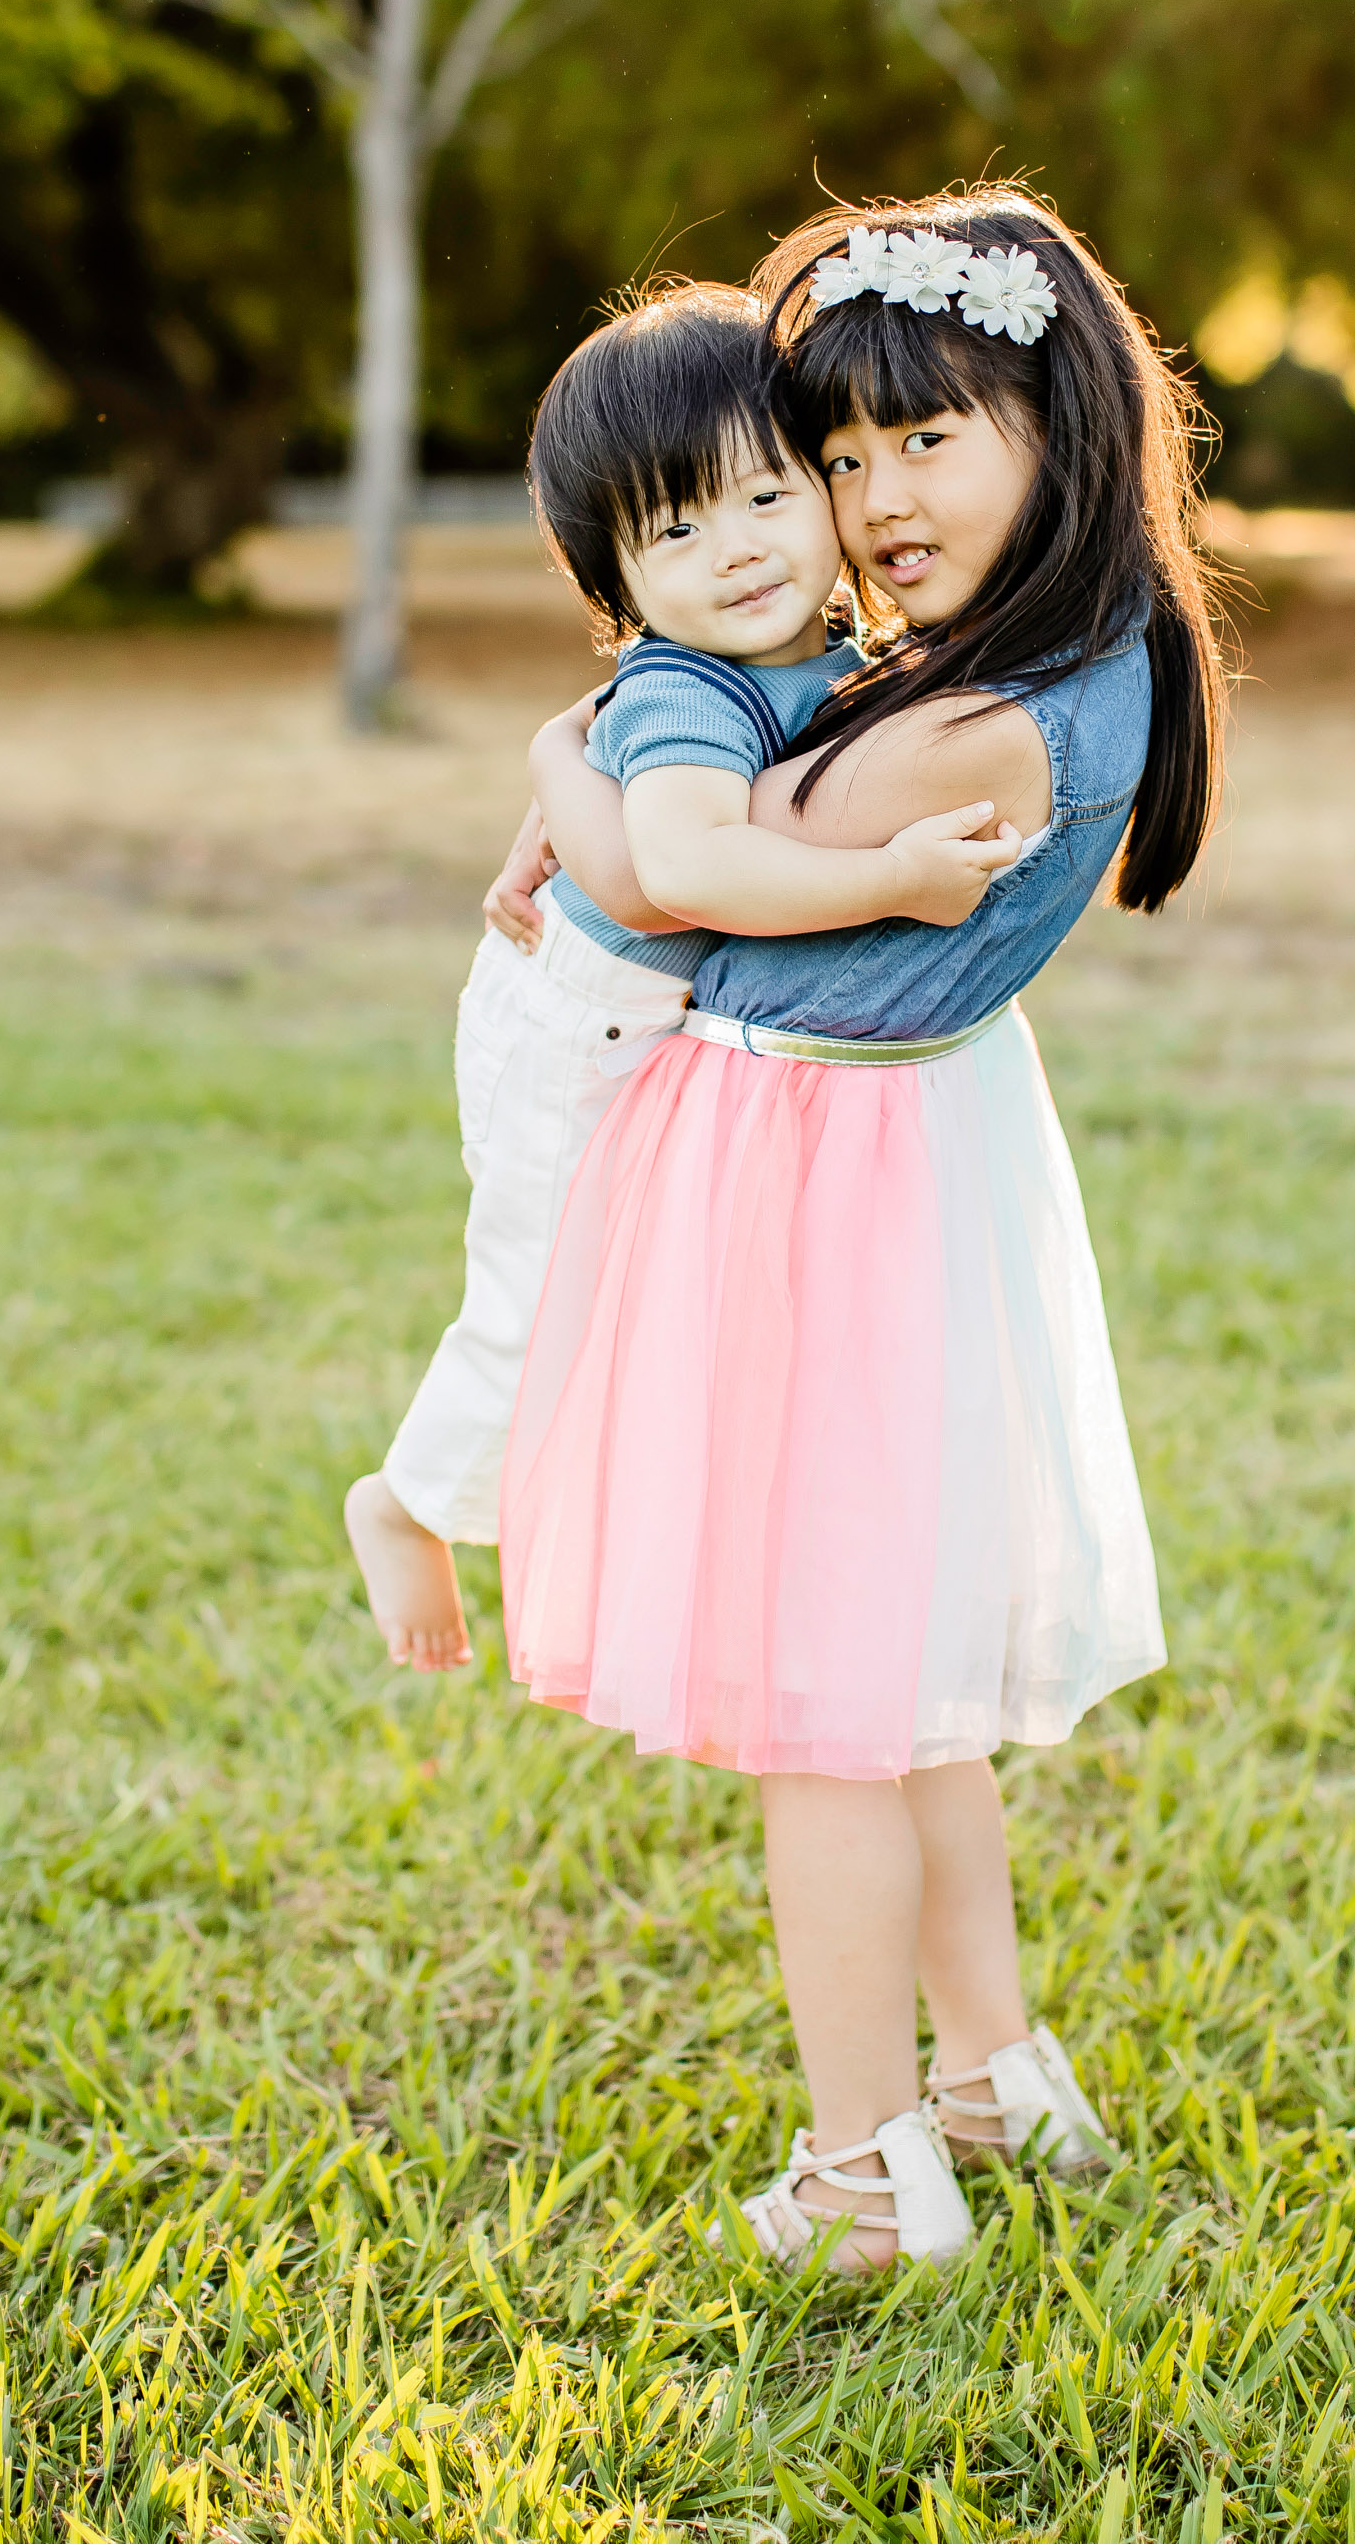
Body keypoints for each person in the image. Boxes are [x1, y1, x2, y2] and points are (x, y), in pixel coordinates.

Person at [500, 187, 1225, 2273]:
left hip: (815, 1189)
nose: (868, 494)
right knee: (897, 1693)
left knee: (819, 1705)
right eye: (840, 453)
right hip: (874, 1166)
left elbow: (669, 872)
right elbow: (701, 829)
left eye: (928, 438)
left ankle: (858, 2170)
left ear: (1058, 424)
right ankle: (989, 2074)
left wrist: (569, 753)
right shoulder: (1042, 655)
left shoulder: (982, 713)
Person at [346, 281, 1021, 1674]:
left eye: (767, 496)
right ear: (619, 583)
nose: (736, 552)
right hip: (571, 1025)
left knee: (634, 1311)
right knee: (543, 1293)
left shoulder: (826, 659)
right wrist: (893, 876)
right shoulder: (680, 694)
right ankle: (406, 1502)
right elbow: (687, 874)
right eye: (675, 528)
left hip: (643, 1028)